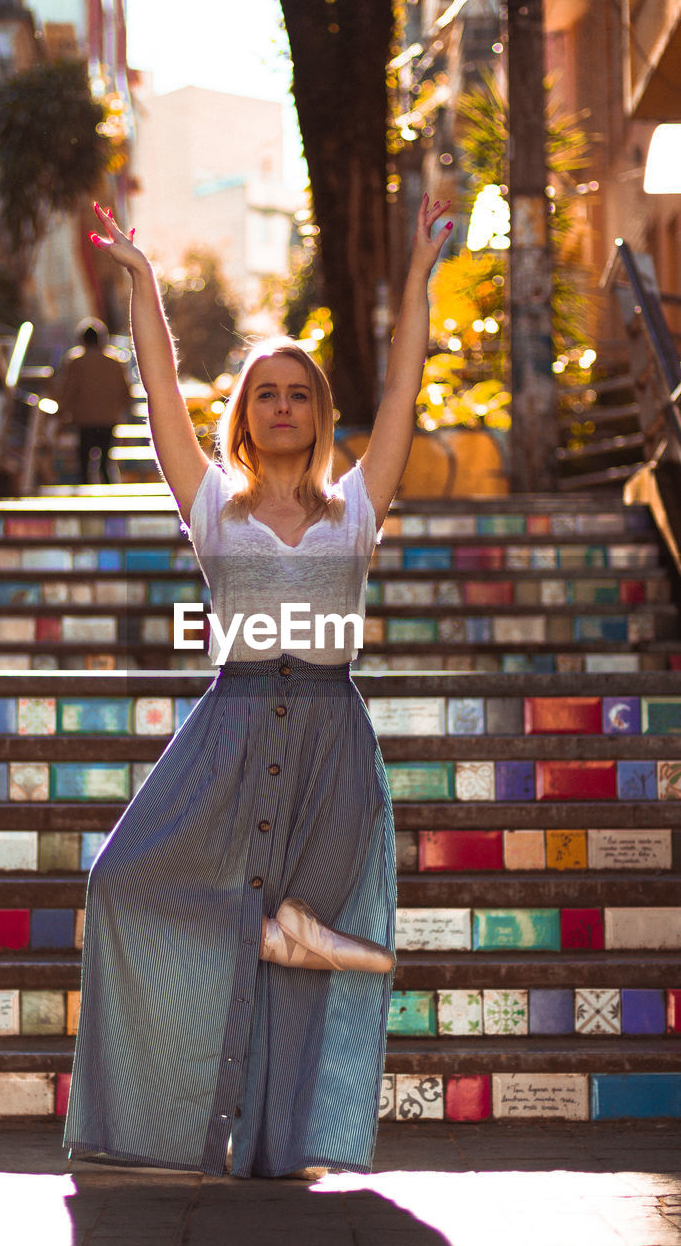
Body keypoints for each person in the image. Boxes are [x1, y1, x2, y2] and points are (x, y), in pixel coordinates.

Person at [63, 195, 453, 1179]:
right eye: (264, 393)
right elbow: (157, 398)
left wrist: (418, 275)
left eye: (298, 394)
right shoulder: (210, 505)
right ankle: (179, 1098)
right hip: (227, 733)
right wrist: (142, 280)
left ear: (322, 415)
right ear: (242, 415)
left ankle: (285, 1142)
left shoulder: (358, 504)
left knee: (295, 954)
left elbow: (404, 389)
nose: (281, 405)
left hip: (328, 741)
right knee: (121, 879)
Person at [56, 318, 131, 483]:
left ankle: (85, 500)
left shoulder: (76, 362)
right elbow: (126, 391)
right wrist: (120, 410)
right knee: (106, 463)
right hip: (109, 418)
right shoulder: (115, 362)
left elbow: (68, 391)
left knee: (84, 463)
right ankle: (110, 499)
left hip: (84, 419)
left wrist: (62, 413)